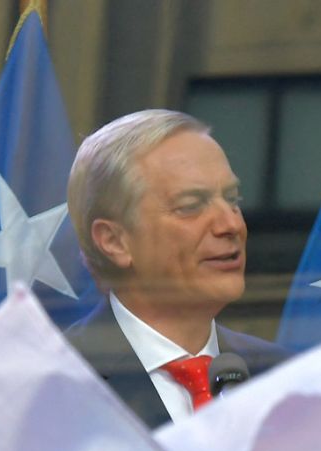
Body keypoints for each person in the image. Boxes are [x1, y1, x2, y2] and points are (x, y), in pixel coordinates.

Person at [66, 109, 287, 428]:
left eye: (232, 199)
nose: (231, 225)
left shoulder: (280, 378)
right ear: (115, 241)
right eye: (190, 207)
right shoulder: (58, 381)